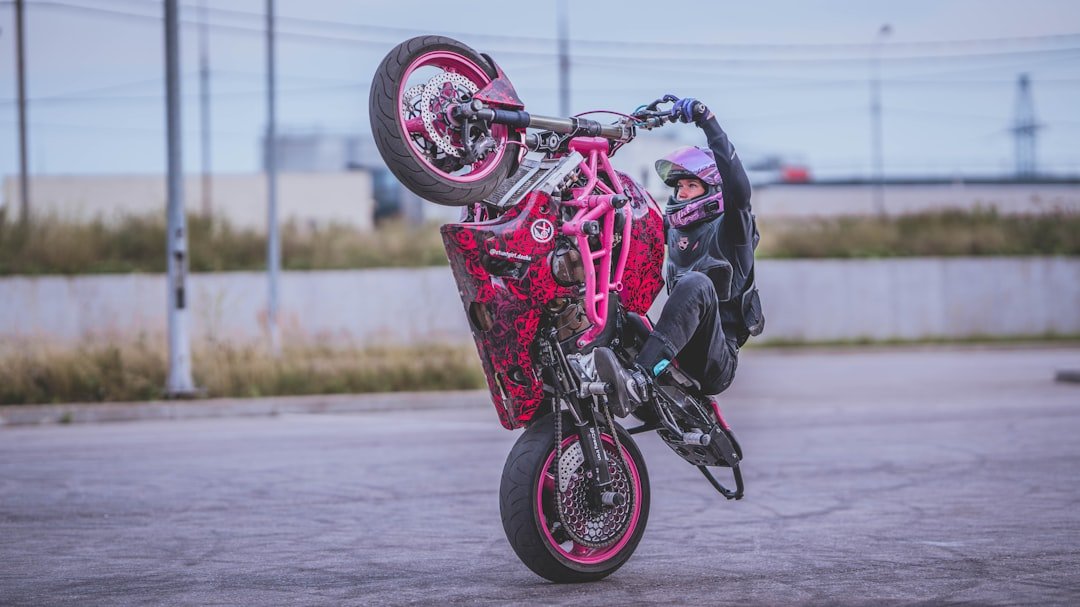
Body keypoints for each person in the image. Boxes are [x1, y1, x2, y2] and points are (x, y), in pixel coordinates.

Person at [595, 96, 762, 412]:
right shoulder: (673, 229)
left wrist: (706, 119)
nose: (681, 193)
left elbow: (737, 187)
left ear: (713, 190)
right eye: (679, 186)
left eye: (691, 185)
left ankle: (639, 381)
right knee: (625, 311)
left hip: (716, 361)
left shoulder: (732, 228)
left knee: (696, 283)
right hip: (677, 348)